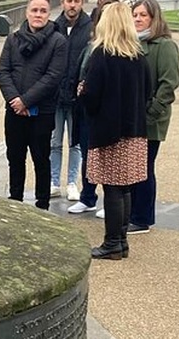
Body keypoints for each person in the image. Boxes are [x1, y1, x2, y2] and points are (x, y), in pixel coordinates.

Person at [77, 2, 151, 260]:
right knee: (125, 188)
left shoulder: (103, 55)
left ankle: (111, 243)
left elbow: (92, 95)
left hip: (110, 133)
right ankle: (121, 242)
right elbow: (148, 92)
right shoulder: (138, 56)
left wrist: (82, 91)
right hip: (134, 131)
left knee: (112, 188)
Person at [0, 0, 66, 210]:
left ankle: (42, 203)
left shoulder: (58, 42)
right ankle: (15, 200)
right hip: (14, 111)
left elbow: (53, 76)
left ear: (48, 14)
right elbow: (3, 71)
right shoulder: (13, 39)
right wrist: (15, 100)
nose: (38, 14)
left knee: (41, 159)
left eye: (43, 11)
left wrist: (26, 100)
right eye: (34, 10)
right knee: (15, 158)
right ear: (27, 13)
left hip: (41, 113)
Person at [127, 0, 179, 235]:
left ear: (154, 18)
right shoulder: (131, 44)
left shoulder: (164, 45)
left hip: (149, 119)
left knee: (144, 167)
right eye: (135, 15)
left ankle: (142, 218)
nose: (138, 19)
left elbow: (169, 84)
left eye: (143, 15)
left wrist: (151, 113)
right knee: (133, 168)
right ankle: (132, 213)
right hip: (131, 117)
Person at [67, 0, 116, 215]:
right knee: (88, 155)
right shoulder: (91, 46)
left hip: (104, 113)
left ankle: (108, 201)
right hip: (86, 110)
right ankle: (88, 197)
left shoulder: (114, 51)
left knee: (106, 157)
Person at [49, 0, 92, 201]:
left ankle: (72, 183)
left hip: (77, 98)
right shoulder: (54, 26)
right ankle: (54, 182)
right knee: (55, 142)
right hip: (56, 96)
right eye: (68, 1)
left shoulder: (90, 27)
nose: (72, 5)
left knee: (74, 144)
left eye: (76, 1)